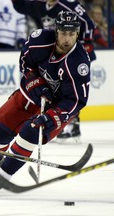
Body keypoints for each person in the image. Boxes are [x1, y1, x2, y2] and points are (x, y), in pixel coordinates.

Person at [0, 11, 91, 195]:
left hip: (55, 107)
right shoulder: (40, 40)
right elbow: (25, 62)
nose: (67, 39)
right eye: (63, 33)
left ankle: (3, 175)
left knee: (31, 130)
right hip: (28, 96)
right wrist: (34, 81)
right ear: (56, 30)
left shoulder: (79, 63)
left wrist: (51, 117)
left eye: (72, 34)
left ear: (77, 33)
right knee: (0, 132)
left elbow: (76, 100)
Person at [11, 0, 96, 142]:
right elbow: (21, 7)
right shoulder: (41, 6)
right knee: (54, 89)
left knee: (70, 90)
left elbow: (89, 24)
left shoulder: (69, 5)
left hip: (74, 54)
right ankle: (52, 123)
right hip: (56, 52)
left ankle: (72, 126)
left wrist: (83, 44)